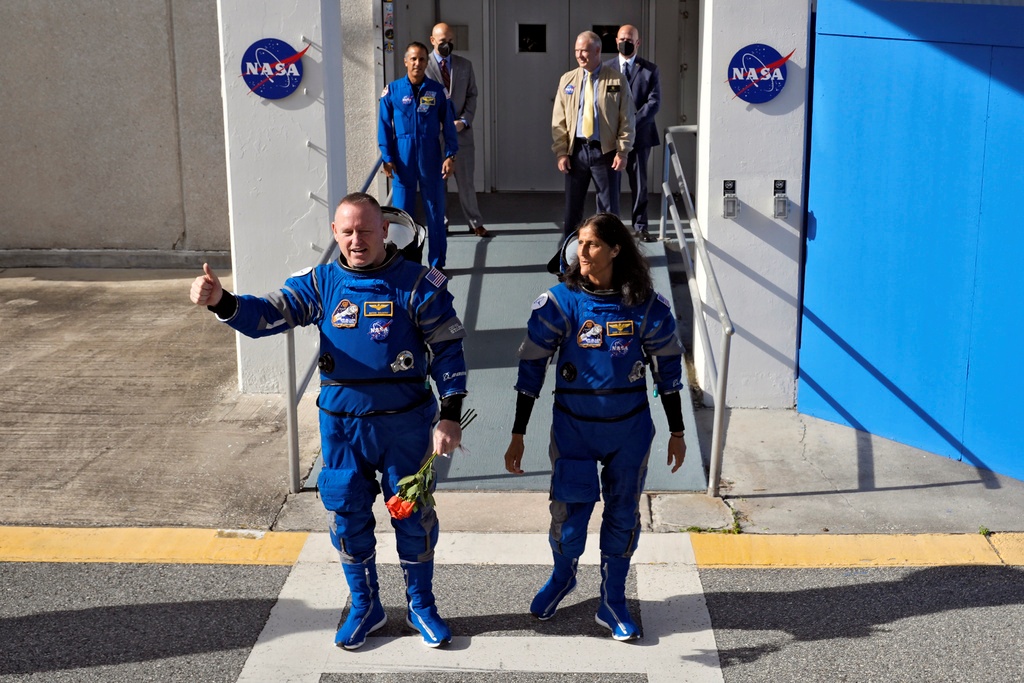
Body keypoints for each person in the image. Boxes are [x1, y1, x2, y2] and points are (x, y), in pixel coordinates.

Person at [189, 192, 467, 650]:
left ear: (385, 231)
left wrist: (451, 415)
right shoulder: (319, 283)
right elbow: (267, 316)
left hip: (405, 425)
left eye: (365, 230)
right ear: (335, 234)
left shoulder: (419, 284)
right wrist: (222, 301)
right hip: (342, 428)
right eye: (347, 231)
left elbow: (449, 350)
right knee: (347, 514)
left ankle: (421, 606)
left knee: (413, 517)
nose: (357, 240)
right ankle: (365, 606)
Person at [502, 212, 686, 642]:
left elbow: (668, 371)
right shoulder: (559, 303)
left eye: (593, 245)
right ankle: (562, 577)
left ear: (616, 249)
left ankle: (612, 600)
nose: (582, 252)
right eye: (580, 244)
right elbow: (530, 372)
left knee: (622, 517)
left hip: (630, 430)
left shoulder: (647, 306)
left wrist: (677, 432)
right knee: (569, 520)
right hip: (574, 431)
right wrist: (517, 433)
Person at [379, 42, 459, 270]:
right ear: (405, 61)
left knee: (435, 211)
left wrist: (450, 155)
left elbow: (449, 127)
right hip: (402, 158)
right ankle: (406, 265)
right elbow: (384, 126)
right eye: (413, 59)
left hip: (430, 156)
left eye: (422, 59)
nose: (417, 63)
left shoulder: (437, 91)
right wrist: (387, 156)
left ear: (427, 62)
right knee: (403, 216)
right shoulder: (392, 91)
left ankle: (437, 265)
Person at [551, 31, 635, 237]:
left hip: (605, 152)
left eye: (584, 51)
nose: (580, 55)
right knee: (572, 210)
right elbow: (558, 119)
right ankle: (568, 258)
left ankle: (611, 257)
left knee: (608, 211)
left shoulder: (617, 80)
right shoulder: (567, 80)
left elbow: (627, 119)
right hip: (576, 152)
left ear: (597, 50)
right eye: (576, 51)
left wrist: (622, 151)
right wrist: (561, 152)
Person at [426, 22, 491, 238]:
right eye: (443, 41)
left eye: (450, 41)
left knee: (466, 182)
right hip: (434, 137)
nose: (447, 45)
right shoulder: (422, 66)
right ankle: (441, 223)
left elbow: (473, 95)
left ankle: (475, 222)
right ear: (432, 40)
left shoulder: (465, 65)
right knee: (438, 182)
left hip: (461, 134)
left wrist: (464, 120)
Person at [604, 25, 662, 243]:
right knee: (611, 184)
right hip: (611, 138)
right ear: (616, 40)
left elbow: (654, 103)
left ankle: (641, 226)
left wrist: (630, 125)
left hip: (640, 136)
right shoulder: (605, 68)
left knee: (639, 183)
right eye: (622, 38)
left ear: (638, 42)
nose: (625, 42)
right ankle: (612, 227)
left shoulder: (650, 70)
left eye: (630, 39)